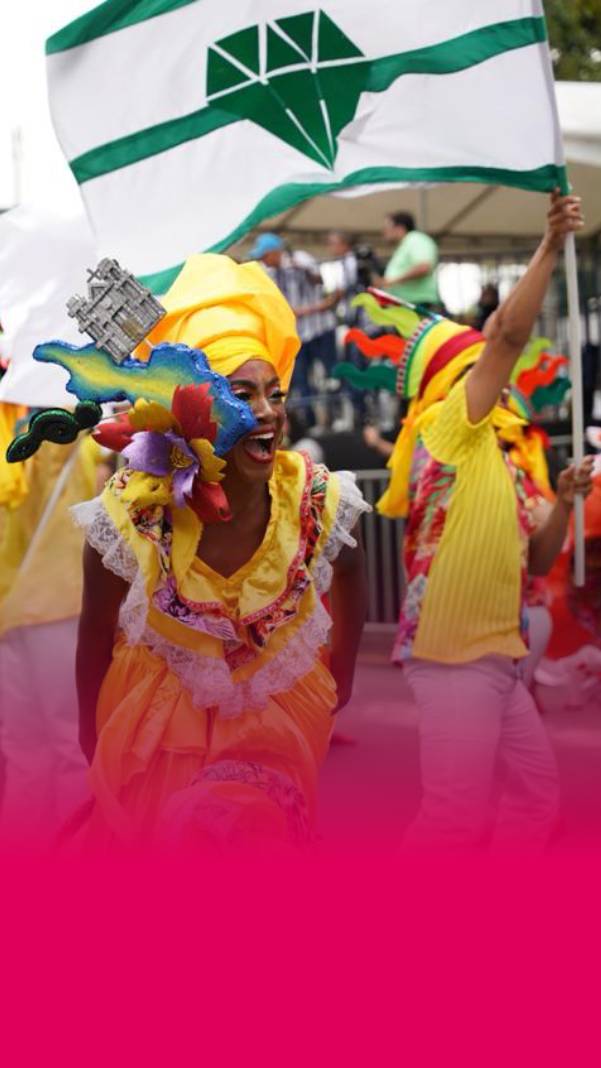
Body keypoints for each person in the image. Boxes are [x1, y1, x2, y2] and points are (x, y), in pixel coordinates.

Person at [68, 254, 369, 848]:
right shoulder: (133, 514)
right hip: (154, 728)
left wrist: (344, 676)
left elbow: (352, 570)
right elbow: (94, 635)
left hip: (277, 728)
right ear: (189, 409)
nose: (267, 412)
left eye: (274, 393)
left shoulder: (313, 497)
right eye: (242, 393)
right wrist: (90, 733)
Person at [371, 192, 591, 850]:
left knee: (533, 799)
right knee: (453, 817)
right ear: (449, 384)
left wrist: (567, 497)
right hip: (452, 658)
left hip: (498, 657)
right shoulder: (447, 428)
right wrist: (550, 246)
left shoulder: (503, 458)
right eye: (477, 370)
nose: (498, 379)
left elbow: (538, 554)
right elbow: (506, 336)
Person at [0, 409, 109, 839]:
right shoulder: (62, 439)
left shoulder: (17, 431)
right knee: (70, 746)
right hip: (55, 606)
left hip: (11, 614)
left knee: (23, 751)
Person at [249, 233, 338, 429]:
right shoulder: (268, 273)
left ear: (275, 252)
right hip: (299, 335)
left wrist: (303, 268)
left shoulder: (300, 259)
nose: (263, 260)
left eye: (265, 255)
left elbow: (322, 280)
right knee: (300, 380)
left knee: (332, 375)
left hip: (321, 328)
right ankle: (312, 422)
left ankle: (337, 417)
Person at [376, 212, 440, 310]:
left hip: (417, 304)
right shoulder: (405, 244)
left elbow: (423, 267)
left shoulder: (416, 239)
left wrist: (392, 281)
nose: (384, 231)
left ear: (400, 228)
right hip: (408, 305)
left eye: (387, 227)